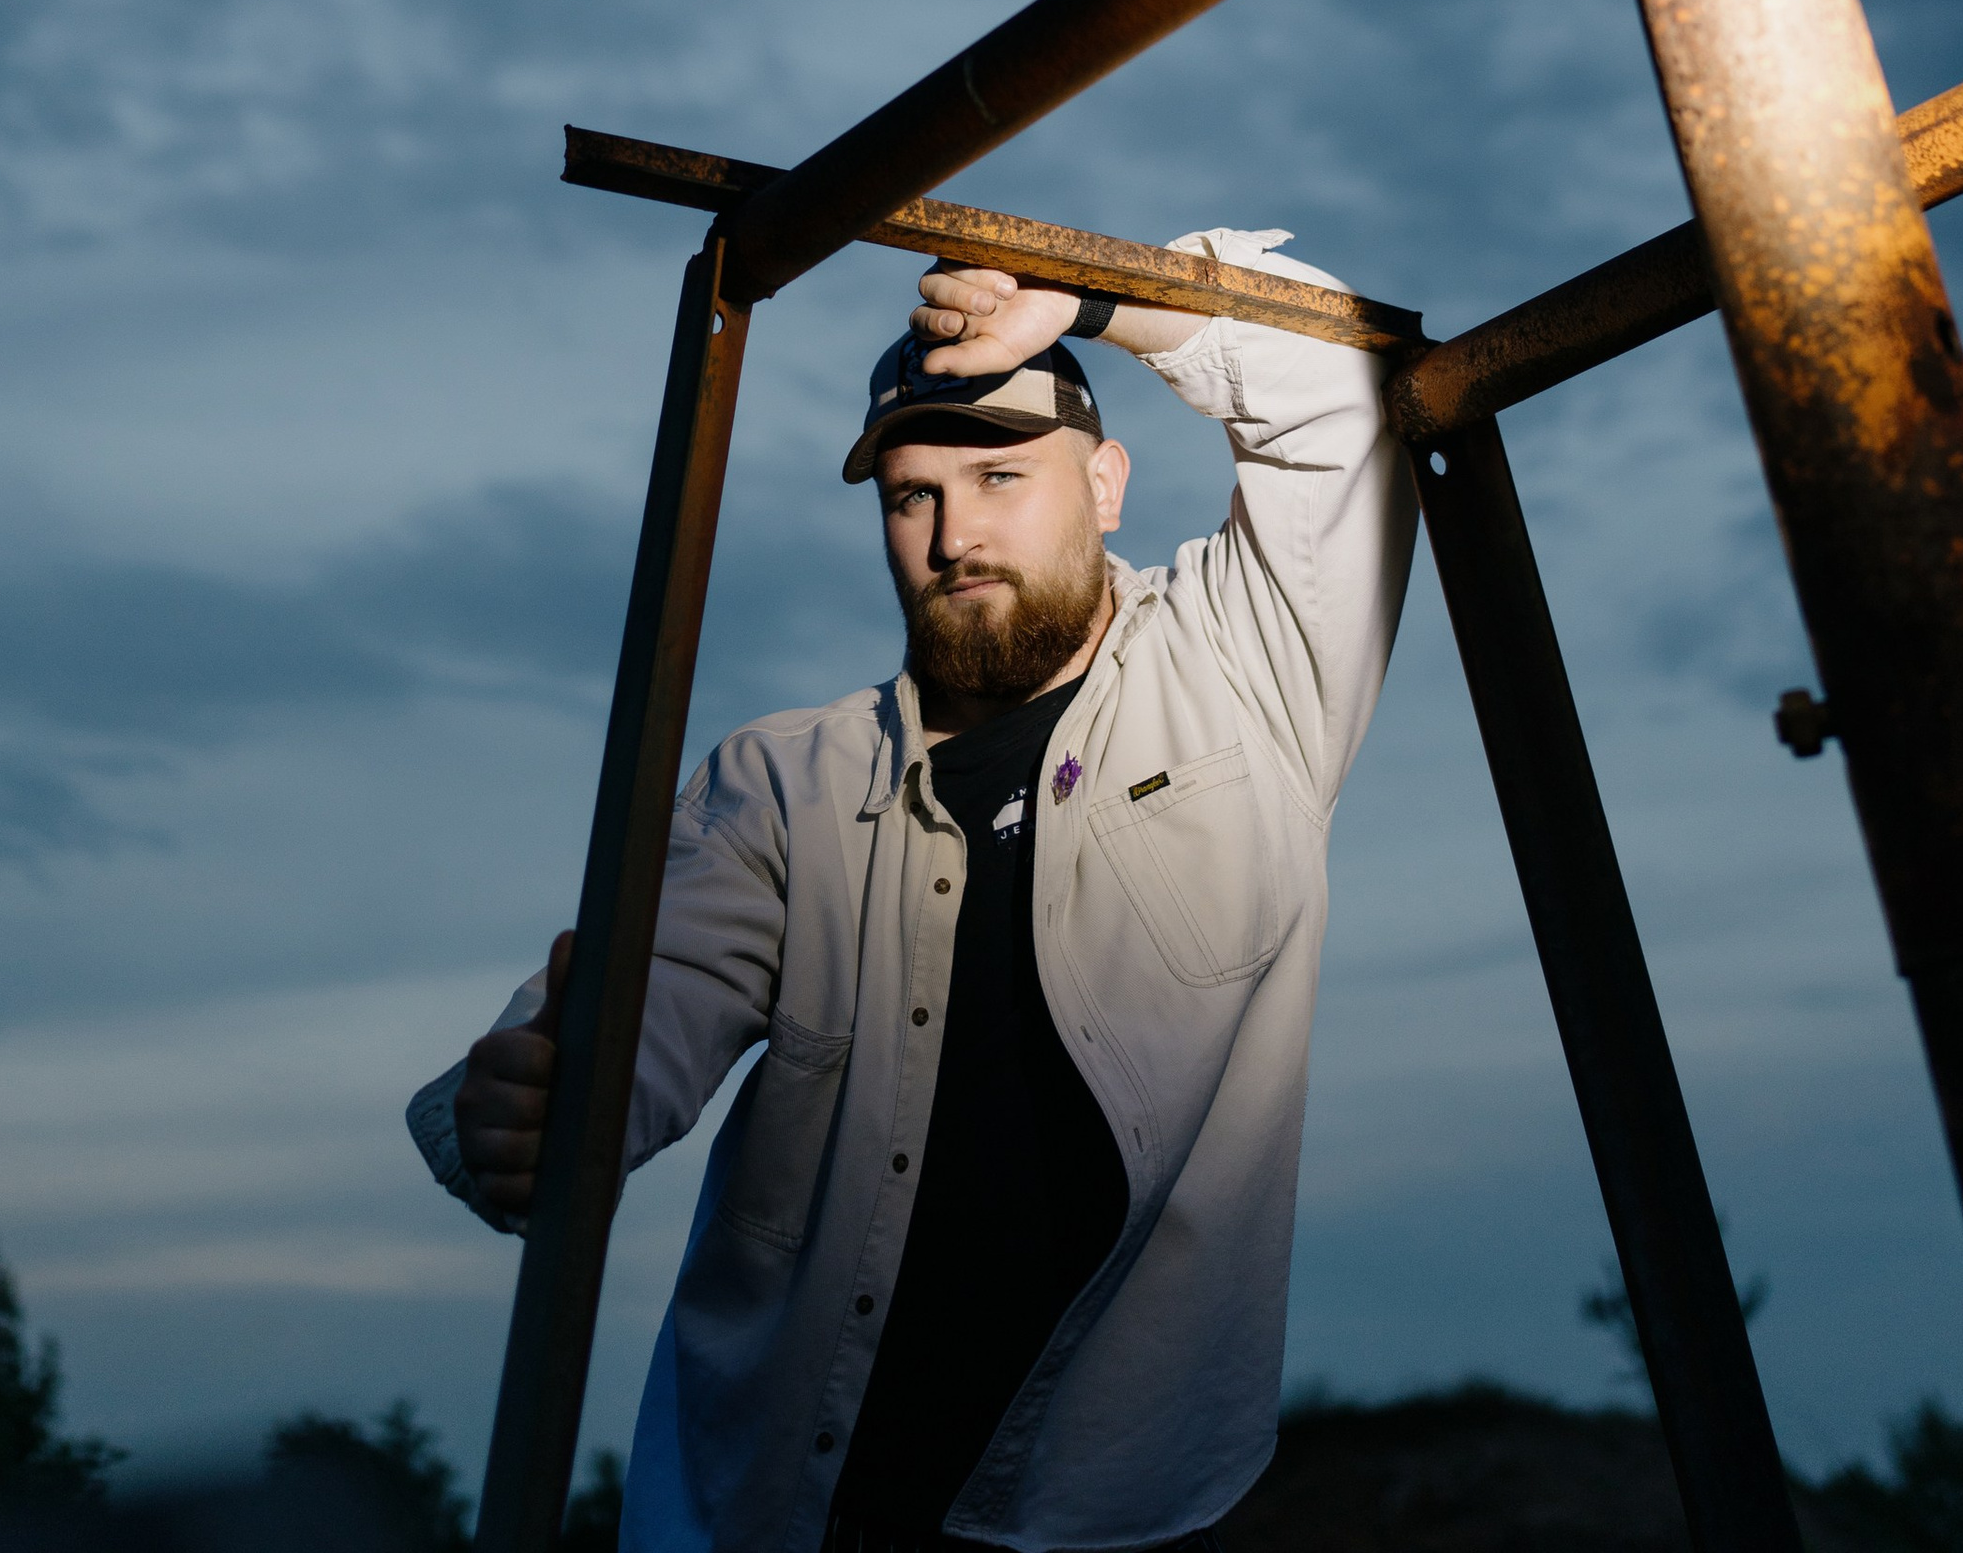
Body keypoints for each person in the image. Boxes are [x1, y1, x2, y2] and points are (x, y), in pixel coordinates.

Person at [408, 233, 1413, 1553]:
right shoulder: (786, 784)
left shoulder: (1242, 670)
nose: (955, 537)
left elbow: (1341, 390)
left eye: (1001, 476)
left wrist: (1091, 297)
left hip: (1104, 1503)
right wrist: (542, 1105)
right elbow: (645, 1013)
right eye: (911, 496)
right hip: (785, 1503)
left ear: (1106, 483)